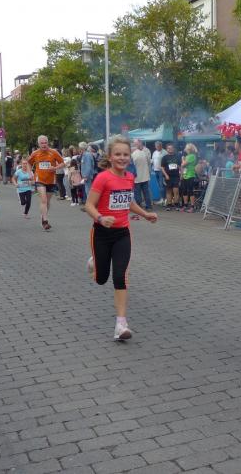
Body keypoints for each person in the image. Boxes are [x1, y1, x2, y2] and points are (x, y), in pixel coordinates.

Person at [84, 136, 158, 341]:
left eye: (125, 154)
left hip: (122, 234)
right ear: (110, 156)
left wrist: (145, 214)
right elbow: (89, 205)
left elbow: (129, 202)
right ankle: (94, 261)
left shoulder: (130, 177)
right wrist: (100, 218)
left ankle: (121, 324)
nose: (122, 158)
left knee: (120, 276)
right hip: (101, 233)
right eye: (118, 154)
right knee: (101, 279)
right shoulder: (103, 178)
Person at [28, 135, 65, 231]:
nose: (44, 145)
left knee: (47, 201)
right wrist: (30, 173)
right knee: (43, 200)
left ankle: (43, 217)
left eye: (45, 143)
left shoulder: (54, 152)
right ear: (38, 144)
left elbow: (62, 163)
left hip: (51, 180)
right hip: (39, 179)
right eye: (42, 143)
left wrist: (55, 168)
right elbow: (28, 163)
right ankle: (45, 221)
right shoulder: (35, 153)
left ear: (48, 143)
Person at [131, 139, 153, 211]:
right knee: (146, 192)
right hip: (145, 176)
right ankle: (149, 206)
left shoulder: (133, 155)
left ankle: (139, 206)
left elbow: (132, 166)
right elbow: (149, 162)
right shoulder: (144, 153)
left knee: (137, 193)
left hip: (137, 177)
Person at [160, 143, 181, 211]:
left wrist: (181, 175)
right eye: (168, 148)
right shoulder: (164, 157)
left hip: (176, 176)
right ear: (166, 149)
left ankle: (176, 204)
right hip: (168, 177)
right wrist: (166, 175)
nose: (170, 149)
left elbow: (180, 167)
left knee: (176, 191)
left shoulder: (177, 157)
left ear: (173, 149)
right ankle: (169, 205)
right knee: (168, 191)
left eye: (171, 148)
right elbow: (162, 168)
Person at [180, 143, 199, 212]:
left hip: (190, 175)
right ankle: (185, 205)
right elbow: (183, 167)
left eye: (186, 148)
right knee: (184, 191)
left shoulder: (192, 156)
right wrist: (181, 175)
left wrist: (182, 159)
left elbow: (183, 165)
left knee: (190, 191)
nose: (185, 150)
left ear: (189, 149)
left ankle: (192, 206)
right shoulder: (187, 156)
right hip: (185, 175)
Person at [151, 141, 165, 206]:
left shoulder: (164, 152)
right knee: (159, 186)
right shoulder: (154, 152)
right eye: (156, 146)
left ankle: (164, 199)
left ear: (161, 146)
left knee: (162, 185)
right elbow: (152, 160)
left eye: (158, 146)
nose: (157, 147)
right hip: (155, 170)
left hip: (162, 171)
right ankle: (162, 199)